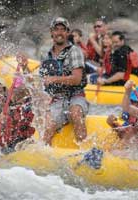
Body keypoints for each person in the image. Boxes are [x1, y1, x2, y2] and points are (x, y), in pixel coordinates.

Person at [39, 17, 88, 145]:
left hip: (76, 96)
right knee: (47, 125)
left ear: (67, 33)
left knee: (75, 113)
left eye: (63, 29)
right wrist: (24, 67)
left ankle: (85, 150)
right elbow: (41, 80)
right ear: (52, 32)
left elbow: (77, 79)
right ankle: (45, 156)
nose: (59, 32)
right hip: (57, 99)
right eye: (56, 29)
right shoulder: (46, 55)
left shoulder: (75, 51)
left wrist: (55, 79)